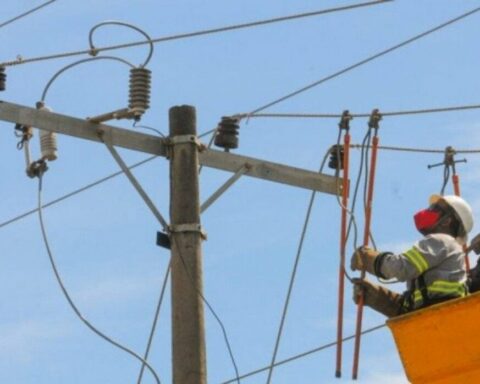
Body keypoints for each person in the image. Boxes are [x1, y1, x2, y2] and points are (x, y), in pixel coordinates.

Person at [350, 194, 474, 318]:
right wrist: (377, 297)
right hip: (438, 320)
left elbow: (400, 268)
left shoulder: (442, 241)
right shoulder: (442, 251)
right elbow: (415, 306)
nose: (428, 211)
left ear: (447, 221)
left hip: (441, 318)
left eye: (435, 208)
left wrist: (369, 259)